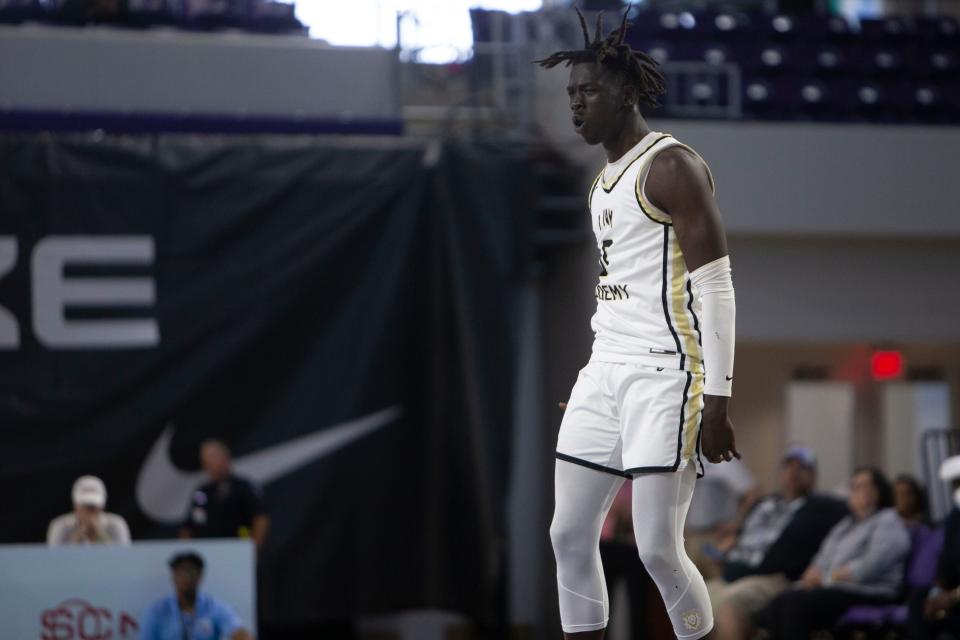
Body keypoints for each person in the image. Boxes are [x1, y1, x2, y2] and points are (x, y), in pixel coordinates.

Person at [537, 9, 739, 639]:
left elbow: (716, 288)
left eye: (588, 91)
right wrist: (600, 376)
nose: (576, 106)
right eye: (570, 94)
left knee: (656, 548)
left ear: (624, 92)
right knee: (568, 533)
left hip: (666, 371)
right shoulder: (600, 183)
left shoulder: (672, 166)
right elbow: (616, 291)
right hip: (608, 368)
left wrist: (718, 399)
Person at [707, 446, 848, 640]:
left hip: (772, 578)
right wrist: (729, 545)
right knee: (690, 603)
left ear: (813, 475)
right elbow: (742, 535)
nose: (793, 473)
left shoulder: (822, 508)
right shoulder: (764, 503)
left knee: (733, 604)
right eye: (788, 467)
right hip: (732, 574)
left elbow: (853, 519)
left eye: (801, 468)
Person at [761, 467, 910, 640]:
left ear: (879, 491)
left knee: (794, 606)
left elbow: (871, 565)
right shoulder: (845, 525)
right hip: (836, 587)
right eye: (854, 487)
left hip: (870, 590)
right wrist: (814, 572)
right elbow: (823, 557)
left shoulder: (888, 520)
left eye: (863, 486)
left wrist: (827, 577)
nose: (856, 492)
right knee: (778, 604)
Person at [138, 551, 254, 640]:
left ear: (200, 575)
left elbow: (237, 630)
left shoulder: (213, 607)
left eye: (190, 571)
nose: (185, 576)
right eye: (180, 571)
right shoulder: (156, 611)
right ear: (172, 576)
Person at [180, 440, 270, 549]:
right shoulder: (202, 492)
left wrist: (252, 550)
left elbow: (260, 519)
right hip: (206, 553)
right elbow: (189, 525)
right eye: (206, 463)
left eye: (212, 460)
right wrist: (185, 551)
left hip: (236, 550)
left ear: (225, 459)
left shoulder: (243, 487)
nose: (209, 467)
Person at [908, 455, 960, 640]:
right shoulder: (954, 517)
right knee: (919, 599)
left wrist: (953, 596)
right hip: (953, 592)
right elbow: (947, 565)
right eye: (955, 484)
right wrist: (938, 591)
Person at [685, 457, 758, 581]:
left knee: (717, 582)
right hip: (694, 537)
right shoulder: (689, 462)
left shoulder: (724, 461)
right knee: (692, 586)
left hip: (716, 538)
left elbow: (752, 493)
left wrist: (737, 524)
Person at [47, 475, 131, 546]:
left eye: (94, 507)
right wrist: (77, 537)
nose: (90, 511)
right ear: (75, 505)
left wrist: (100, 534)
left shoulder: (117, 524)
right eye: (85, 506)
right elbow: (55, 561)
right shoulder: (60, 526)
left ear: (102, 506)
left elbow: (123, 558)